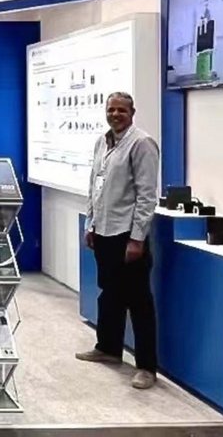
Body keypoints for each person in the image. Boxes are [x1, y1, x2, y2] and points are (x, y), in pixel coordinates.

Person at [76, 92, 160, 391]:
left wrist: (137, 239)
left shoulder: (142, 144)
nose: (115, 114)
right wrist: (90, 224)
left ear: (132, 112)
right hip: (103, 231)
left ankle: (147, 367)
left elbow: (146, 196)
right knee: (109, 293)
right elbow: (94, 185)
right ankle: (108, 348)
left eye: (121, 110)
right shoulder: (102, 141)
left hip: (126, 234)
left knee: (139, 302)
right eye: (111, 109)